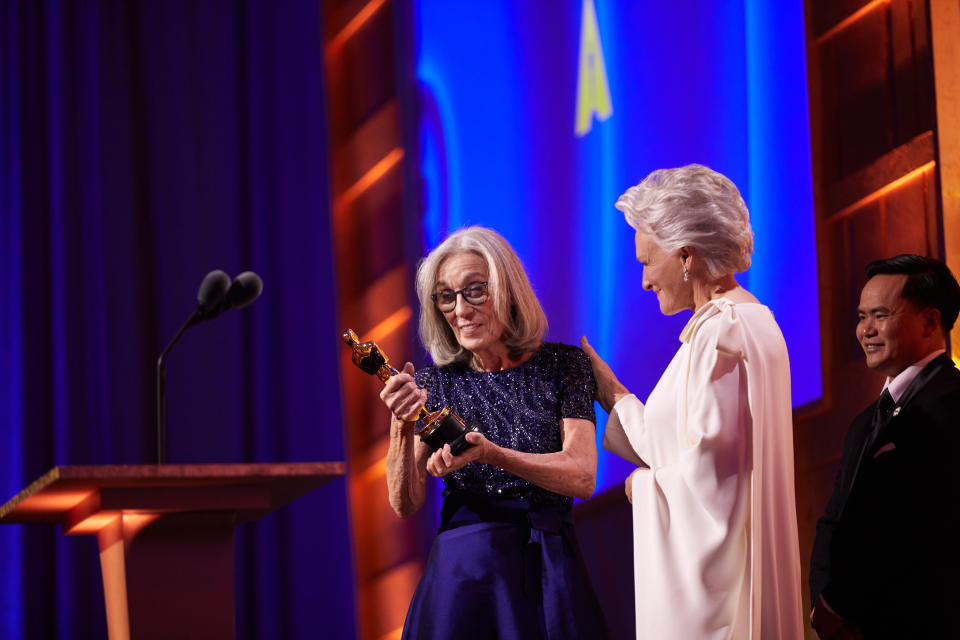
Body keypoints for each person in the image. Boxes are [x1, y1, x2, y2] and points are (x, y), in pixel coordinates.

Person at [581, 164, 804, 639]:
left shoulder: (725, 332)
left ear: (685, 254)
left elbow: (714, 482)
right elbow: (685, 446)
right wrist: (613, 393)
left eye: (646, 261)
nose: (643, 281)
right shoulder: (730, 327)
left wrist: (641, 489)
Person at [380, 226, 608, 640]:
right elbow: (404, 503)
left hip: (545, 567)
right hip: (462, 578)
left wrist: (492, 454)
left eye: (475, 291)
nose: (460, 310)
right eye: (446, 296)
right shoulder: (436, 383)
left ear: (508, 290)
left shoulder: (563, 366)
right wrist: (401, 423)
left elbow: (583, 476)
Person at [809, 254, 960, 639]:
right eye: (861, 317)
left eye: (880, 315)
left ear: (930, 321)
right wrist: (822, 606)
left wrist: (844, 605)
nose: (866, 330)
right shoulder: (863, 423)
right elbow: (834, 520)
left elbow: (915, 528)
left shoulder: (954, 403)